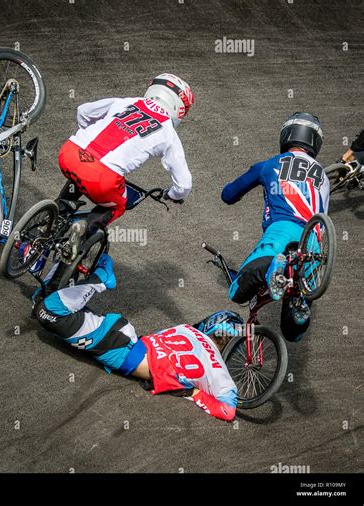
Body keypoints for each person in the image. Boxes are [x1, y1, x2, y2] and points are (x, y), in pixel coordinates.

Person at [32, 254, 239, 422]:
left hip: (124, 339)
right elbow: (228, 411)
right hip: (118, 347)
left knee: (51, 306)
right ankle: (100, 279)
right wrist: (194, 393)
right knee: (47, 312)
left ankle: (68, 257)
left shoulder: (187, 330)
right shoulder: (219, 369)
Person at [56, 73, 194, 263]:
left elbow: (83, 110)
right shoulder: (168, 132)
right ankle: (84, 228)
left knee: (79, 176)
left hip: (70, 152)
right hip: (103, 177)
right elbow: (184, 184)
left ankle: (51, 217)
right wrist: (173, 195)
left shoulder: (128, 101)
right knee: (119, 205)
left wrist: (85, 135)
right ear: (179, 108)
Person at [221, 112, 330, 342]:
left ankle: (272, 266)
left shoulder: (270, 164)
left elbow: (228, 195)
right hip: (314, 242)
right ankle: (299, 303)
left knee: (237, 292)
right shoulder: (324, 176)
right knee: (293, 332)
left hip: (282, 230)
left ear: (287, 135)